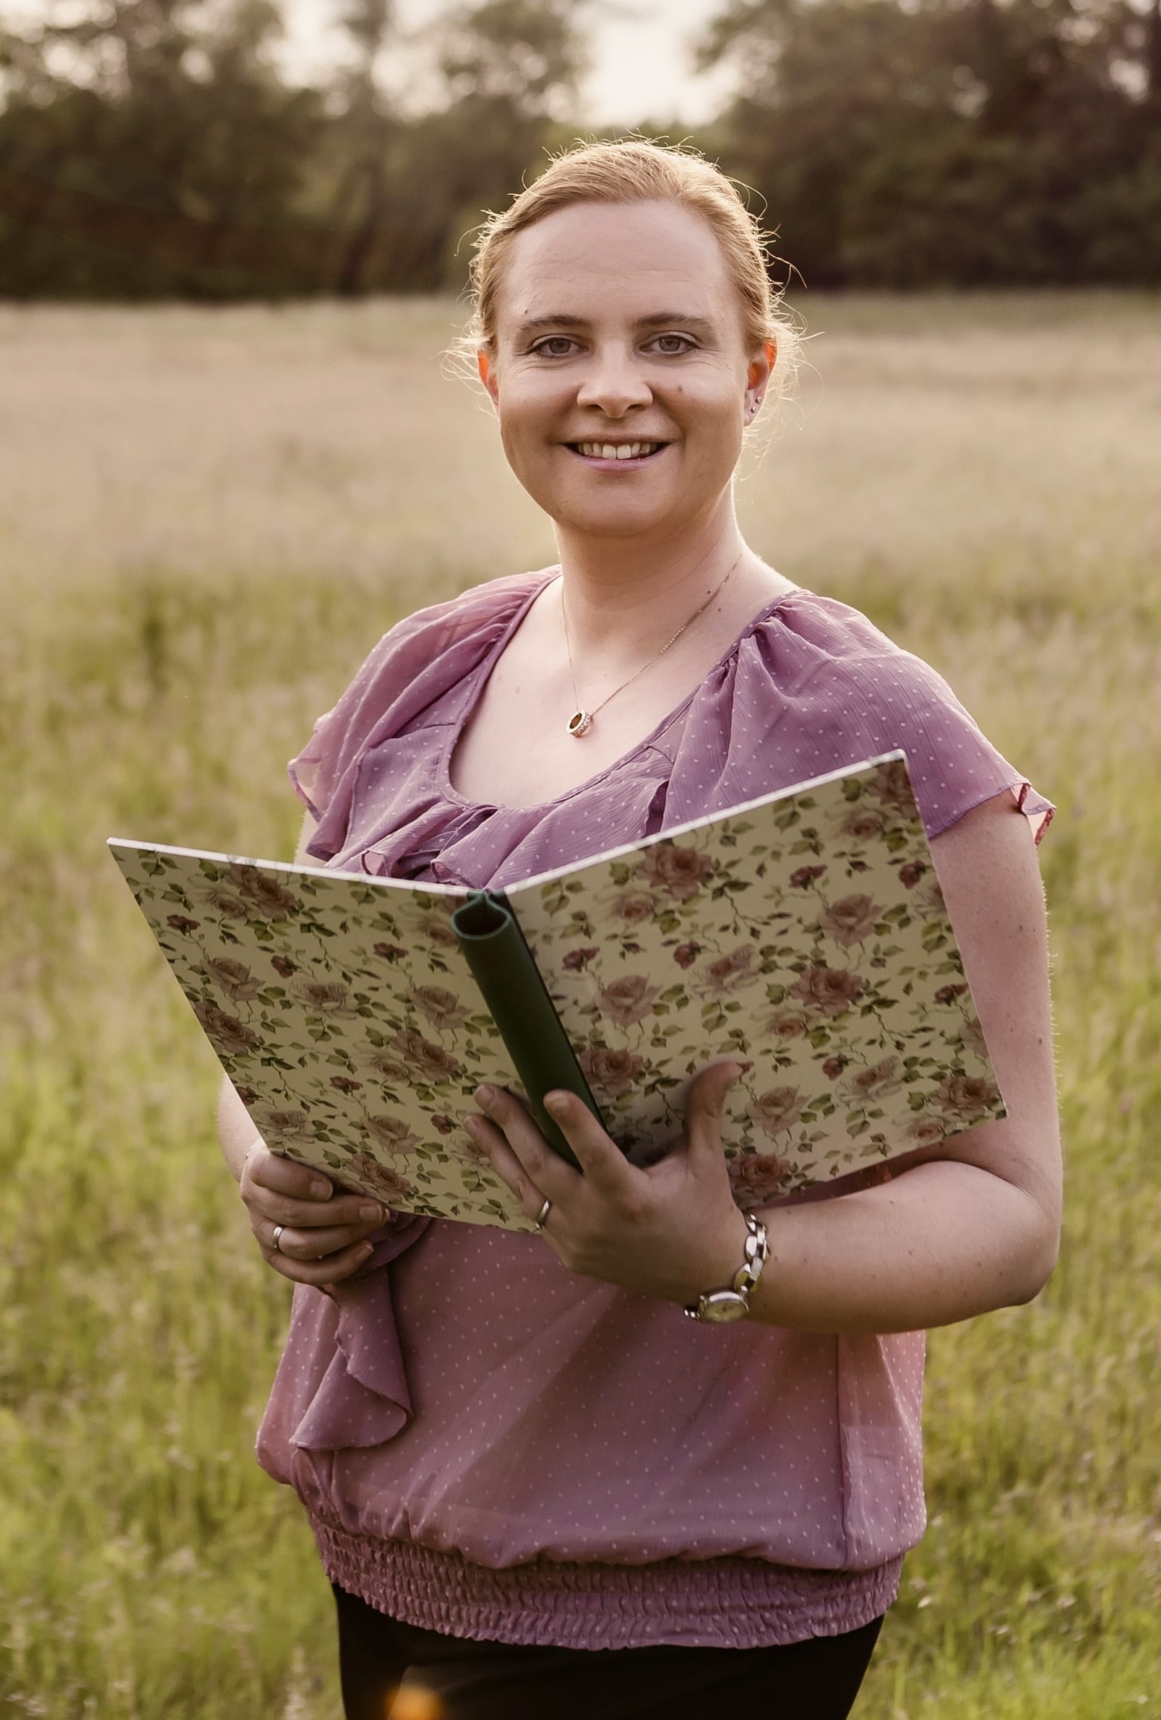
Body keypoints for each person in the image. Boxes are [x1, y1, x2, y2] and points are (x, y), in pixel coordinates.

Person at [216, 141, 1060, 1720]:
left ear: (756, 369)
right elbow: (281, 1014)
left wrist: (723, 1256)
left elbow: (1011, 1215)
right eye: (558, 343)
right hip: (400, 1527)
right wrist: (277, 1169)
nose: (614, 387)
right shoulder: (425, 670)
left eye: (668, 340)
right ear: (490, 377)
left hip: (703, 1583)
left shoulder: (871, 726)